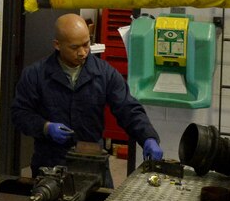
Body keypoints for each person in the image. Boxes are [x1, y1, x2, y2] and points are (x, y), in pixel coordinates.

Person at [12, 13, 163, 179]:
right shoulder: (36, 74)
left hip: (92, 162)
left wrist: (148, 137)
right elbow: (20, 113)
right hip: (50, 163)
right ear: (57, 45)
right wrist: (45, 127)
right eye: (75, 47)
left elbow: (127, 108)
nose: (83, 52)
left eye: (86, 44)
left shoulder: (104, 73)